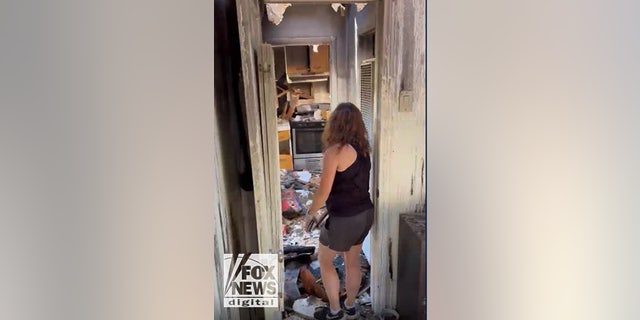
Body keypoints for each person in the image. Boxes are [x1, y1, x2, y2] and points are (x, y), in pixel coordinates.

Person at [305, 102, 375, 320]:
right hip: (365, 214)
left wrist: (310, 214)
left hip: (345, 218)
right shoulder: (363, 149)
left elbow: (323, 193)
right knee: (351, 261)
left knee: (325, 261)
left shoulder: (335, 151)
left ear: (334, 124)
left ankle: (335, 312)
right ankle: (351, 308)